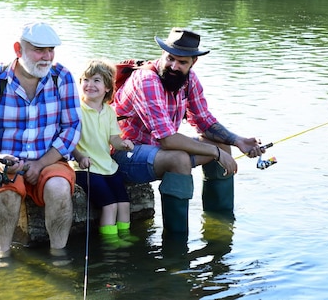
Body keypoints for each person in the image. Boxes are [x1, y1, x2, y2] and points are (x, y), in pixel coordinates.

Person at [112, 27, 264, 235]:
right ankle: (176, 243)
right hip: (124, 154)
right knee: (180, 159)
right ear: (162, 54)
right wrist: (215, 153)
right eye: (170, 58)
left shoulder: (189, 80)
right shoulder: (147, 81)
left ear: (193, 62)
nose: (174, 66)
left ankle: (219, 224)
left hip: (158, 151)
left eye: (182, 62)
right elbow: (167, 139)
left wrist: (238, 141)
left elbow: (204, 121)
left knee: (222, 146)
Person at [0, 22, 82, 263]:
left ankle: (58, 255)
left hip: (50, 158)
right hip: (7, 160)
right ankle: (3, 257)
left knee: (59, 187)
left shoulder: (61, 77)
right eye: (39, 50)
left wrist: (41, 163)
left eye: (50, 50)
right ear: (18, 49)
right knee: (7, 192)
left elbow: (72, 127)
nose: (47, 57)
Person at [71, 59, 138, 248]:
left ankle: (124, 234)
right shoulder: (76, 110)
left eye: (96, 81)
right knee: (110, 205)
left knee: (124, 203)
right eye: (85, 80)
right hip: (85, 168)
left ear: (108, 87)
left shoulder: (109, 111)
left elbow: (114, 139)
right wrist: (80, 157)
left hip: (107, 166)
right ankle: (111, 242)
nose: (89, 85)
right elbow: (69, 141)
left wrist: (123, 144)